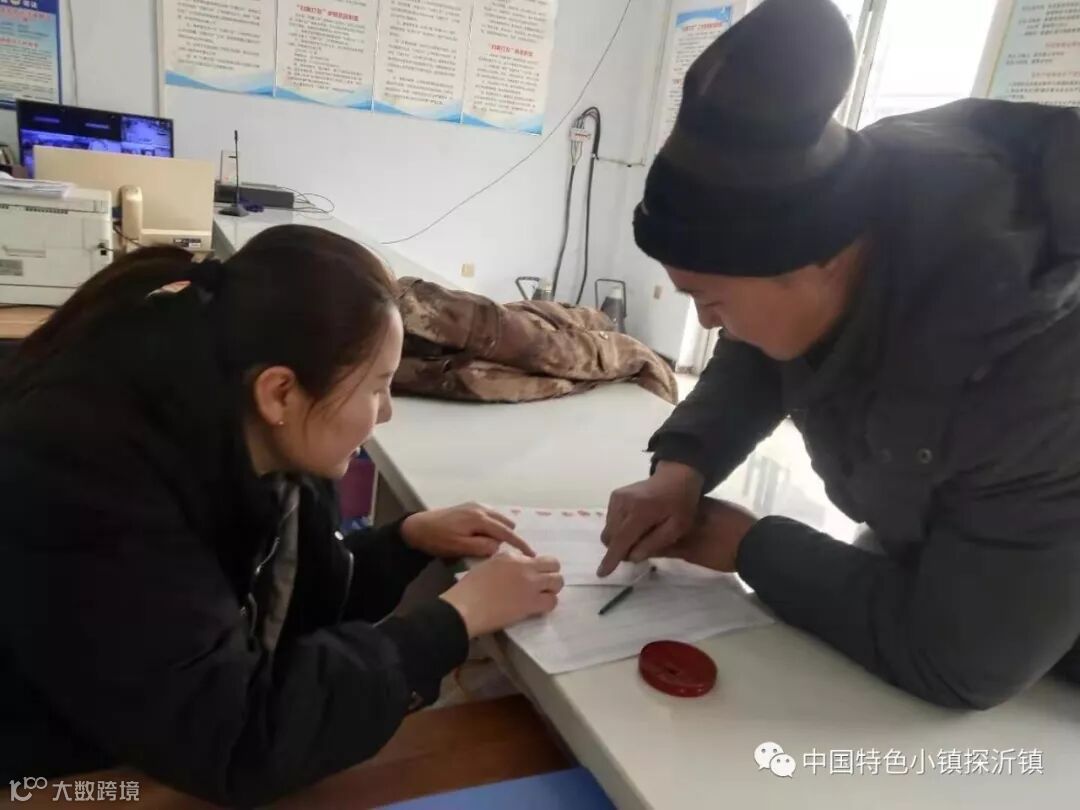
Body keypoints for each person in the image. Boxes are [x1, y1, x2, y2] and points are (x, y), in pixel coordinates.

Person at [599, 0, 1080, 709]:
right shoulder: (847, 203)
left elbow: (964, 661)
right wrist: (684, 466)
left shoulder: (1034, 369)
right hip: (950, 555)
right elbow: (764, 345)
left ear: (817, 263)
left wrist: (752, 548)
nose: (706, 322)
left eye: (712, 300)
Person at [0, 224, 564, 805]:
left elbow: (294, 598)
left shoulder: (254, 432)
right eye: (377, 387)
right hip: (59, 775)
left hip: (152, 732)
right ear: (280, 392)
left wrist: (405, 542)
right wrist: (457, 619)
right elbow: (239, 737)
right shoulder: (92, 484)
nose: (386, 413)